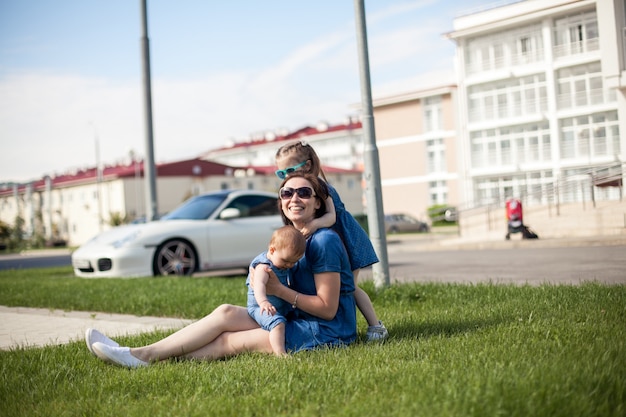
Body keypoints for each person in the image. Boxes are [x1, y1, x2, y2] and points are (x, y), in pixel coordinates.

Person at [85, 173, 357, 368]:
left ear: (317, 202)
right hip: (295, 316)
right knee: (225, 312)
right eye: (287, 193)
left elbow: (328, 309)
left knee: (229, 341)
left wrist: (278, 291)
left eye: (304, 192)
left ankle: (144, 358)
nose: (294, 198)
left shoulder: (324, 241)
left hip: (327, 331)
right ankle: (139, 353)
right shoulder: (298, 238)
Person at [274, 140, 388, 341]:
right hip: (332, 241)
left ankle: (376, 326)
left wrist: (313, 226)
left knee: (350, 286)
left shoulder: (323, 188)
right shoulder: (303, 189)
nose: (286, 177)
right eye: (281, 174)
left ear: (307, 166)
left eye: (290, 170)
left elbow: (331, 218)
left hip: (346, 239)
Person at [246, 225, 306, 356]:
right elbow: (259, 285)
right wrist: (263, 302)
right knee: (278, 324)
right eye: (286, 261)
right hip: (260, 307)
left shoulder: (281, 261)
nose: (289, 265)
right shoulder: (264, 267)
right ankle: (280, 353)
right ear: (272, 250)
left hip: (278, 305)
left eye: (294, 262)